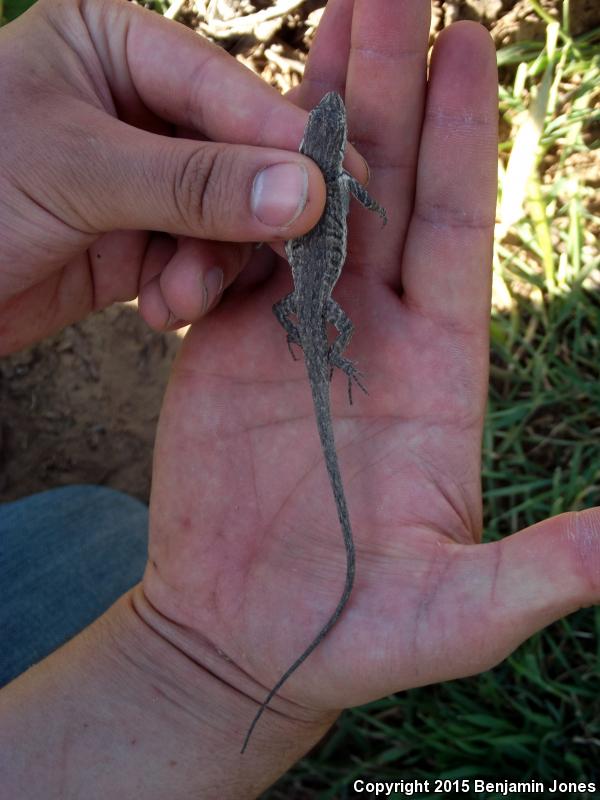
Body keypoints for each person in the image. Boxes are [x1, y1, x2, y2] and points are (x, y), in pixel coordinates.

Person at [0, 0, 597, 797]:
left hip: (306, 304)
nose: (332, 124)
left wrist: (198, 674)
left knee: (95, 525)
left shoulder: (324, 176)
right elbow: (366, 203)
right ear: (326, 144)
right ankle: (334, 363)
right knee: (99, 534)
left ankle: (333, 363)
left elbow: (351, 203)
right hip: (316, 310)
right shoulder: (333, 181)